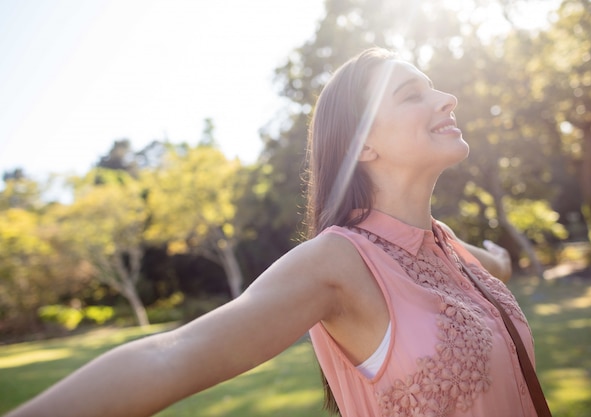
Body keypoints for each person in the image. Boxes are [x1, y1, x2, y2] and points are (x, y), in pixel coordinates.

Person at [5, 47, 532, 417]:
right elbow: (169, 356)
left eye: (434, 87)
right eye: (412, 94)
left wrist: (496, 260)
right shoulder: (339, 263)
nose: (447, 98)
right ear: (362, 145)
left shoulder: (448, 248)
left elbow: (491, 269)